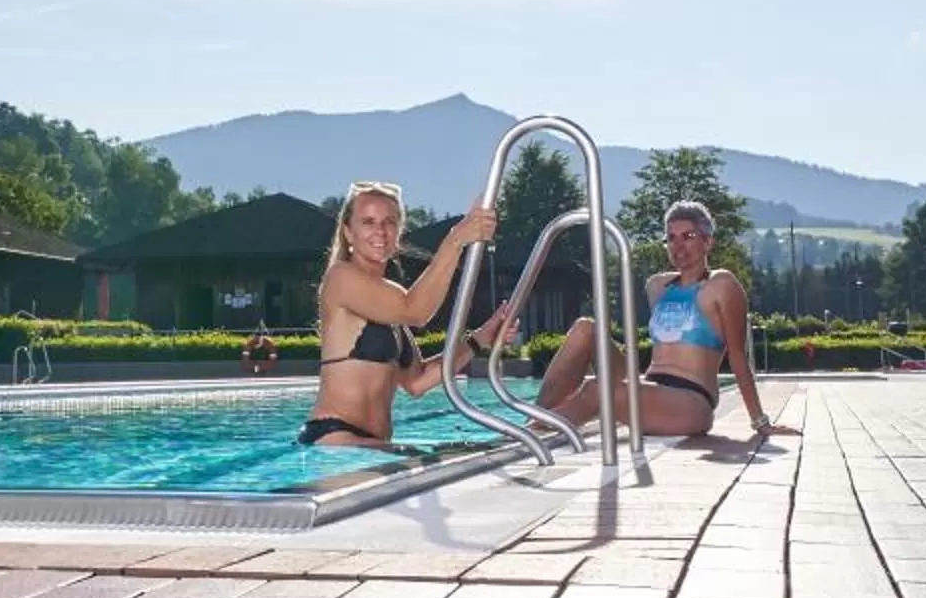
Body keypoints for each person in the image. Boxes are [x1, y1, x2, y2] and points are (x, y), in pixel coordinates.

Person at [535, 200, 777, 437]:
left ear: (708, 241)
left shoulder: (722, 285)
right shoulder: (657, 286)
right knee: (584, 329)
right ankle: (536, 418)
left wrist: (760, 422)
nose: (678, 245)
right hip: (651, 386)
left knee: (598, 390)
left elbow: (737, 356)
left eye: (688, 236)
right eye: (671, 238)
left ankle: (537, 428)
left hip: (690, 400)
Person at [299, 182, 510, 447]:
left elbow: (417, 381)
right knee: (438, 466)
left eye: (389, 222)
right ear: (348, 233)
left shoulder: (390, 300)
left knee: (463, 458)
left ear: (398, 231)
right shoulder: (341, 278)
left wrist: (480, 340)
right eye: (368, 222)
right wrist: (456, 239)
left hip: (372, 444)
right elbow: (417, 311)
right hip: (335, 437)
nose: (380, 231)